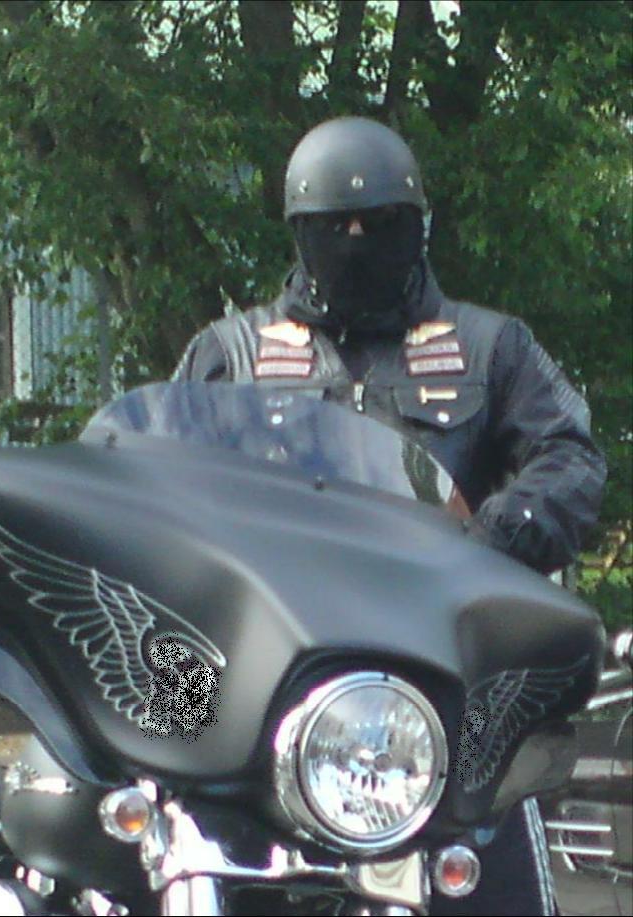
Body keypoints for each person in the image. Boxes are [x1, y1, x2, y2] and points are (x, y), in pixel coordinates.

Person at [173, 116, 607, 915]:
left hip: (445, 675)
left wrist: (493, 537)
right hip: (271, 678)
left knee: (497, 869)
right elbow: (158, 486)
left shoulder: (491, 346)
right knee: (173, 851)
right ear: (299, 230)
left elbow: (572, 458)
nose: (357, 240)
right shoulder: (230, 353)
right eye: (335, 225)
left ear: (418, 225)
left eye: (379, 223)